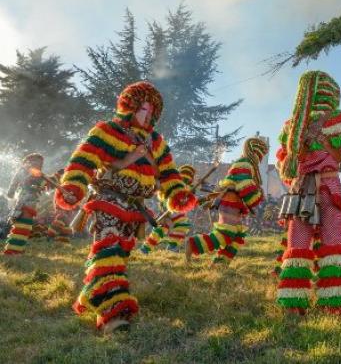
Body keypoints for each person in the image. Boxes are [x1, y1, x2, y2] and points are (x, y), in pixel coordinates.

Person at [54, 81, 197, 333]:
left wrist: (178, 194)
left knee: (118, 255)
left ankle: (89, 297)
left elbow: (169, 174)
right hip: (108, 201)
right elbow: (82, 162)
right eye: (143, 109)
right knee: (108, 251)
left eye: (152, 111)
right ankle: (113, 311)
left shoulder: (157, 142)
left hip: (136, 210)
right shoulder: (106, 131)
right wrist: (74, 187)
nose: (148, 115)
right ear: (129, 106)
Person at [274, 71, 341, 315]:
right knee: (333, 241)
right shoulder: (339, 120)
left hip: (300, 190)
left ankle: (292, 304)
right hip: (328, 189)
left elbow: (283, 165)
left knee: (297, 243)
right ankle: (336, 303)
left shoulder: (291, 126)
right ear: (331, 94)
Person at [185, 137, 268, 264]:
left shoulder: (246, 164)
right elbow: (245, 187)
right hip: (230, 202)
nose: (260, 158)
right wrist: (258, 196)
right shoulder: (244, 163)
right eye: (260, 154)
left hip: (233, 204)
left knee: (235, 236)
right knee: (225, 235)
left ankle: (221, 262)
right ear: (255, 152)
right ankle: (192, 244)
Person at [3, 153, 53, 255]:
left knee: (23, 226)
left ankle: (16, 249)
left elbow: (10, 192)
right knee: (23, 226)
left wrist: (48, 180)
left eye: (40, 163)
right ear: (30, 161)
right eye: (37, 162)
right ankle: (14, 251)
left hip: (22, 202)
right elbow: (43, 186)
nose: (39, 164)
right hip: (27, 202)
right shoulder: (31, 173)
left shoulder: (25, 172)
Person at [139, 164, 196, 254]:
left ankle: (150, 248)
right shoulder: (175, 185)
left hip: (174, 213)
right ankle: (152, 247)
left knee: (166, 229)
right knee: (167, 228)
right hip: (169, 211)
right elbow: (164, 197)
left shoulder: (181, 186)